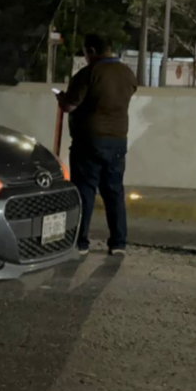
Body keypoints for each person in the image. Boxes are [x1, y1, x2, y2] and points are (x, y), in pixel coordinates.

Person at [57, 34, 137, 256]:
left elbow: (70, 106)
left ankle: (80, 243)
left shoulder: (88, 73)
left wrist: (62, 99)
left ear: (91, 51)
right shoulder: (127, 73)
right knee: (114, 192)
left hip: (89, 140)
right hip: (118, 140)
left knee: (84, 191)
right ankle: (118, 242)